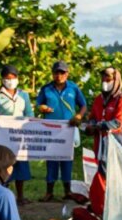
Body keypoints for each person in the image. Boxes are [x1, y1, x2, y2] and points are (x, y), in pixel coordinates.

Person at [35, 60, 86, 202]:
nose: (59, 75)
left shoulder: (73, 88)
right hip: (51, 129)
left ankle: (67, 191)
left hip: (68, 128)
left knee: (66, 160)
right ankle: (49, 192)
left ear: (67, 74)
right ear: (52, 74)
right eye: (56, 72)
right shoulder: (46, 89)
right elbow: (39, 104)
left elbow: (83, 105)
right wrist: (42, 108)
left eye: (62, 72)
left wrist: (79, 115)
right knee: (51, 159)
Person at [0, 64, 35, 204]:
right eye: (7, 78)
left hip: (20, 136)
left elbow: (29, 113)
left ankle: (20, 196)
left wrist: (27, 121)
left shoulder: (24, 95)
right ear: (2, 79)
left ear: (17, 78)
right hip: (5, 137)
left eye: (13, 77)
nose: (10, 80)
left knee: (20, 164)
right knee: (4, 164)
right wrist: (3, 121)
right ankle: (3, 196)